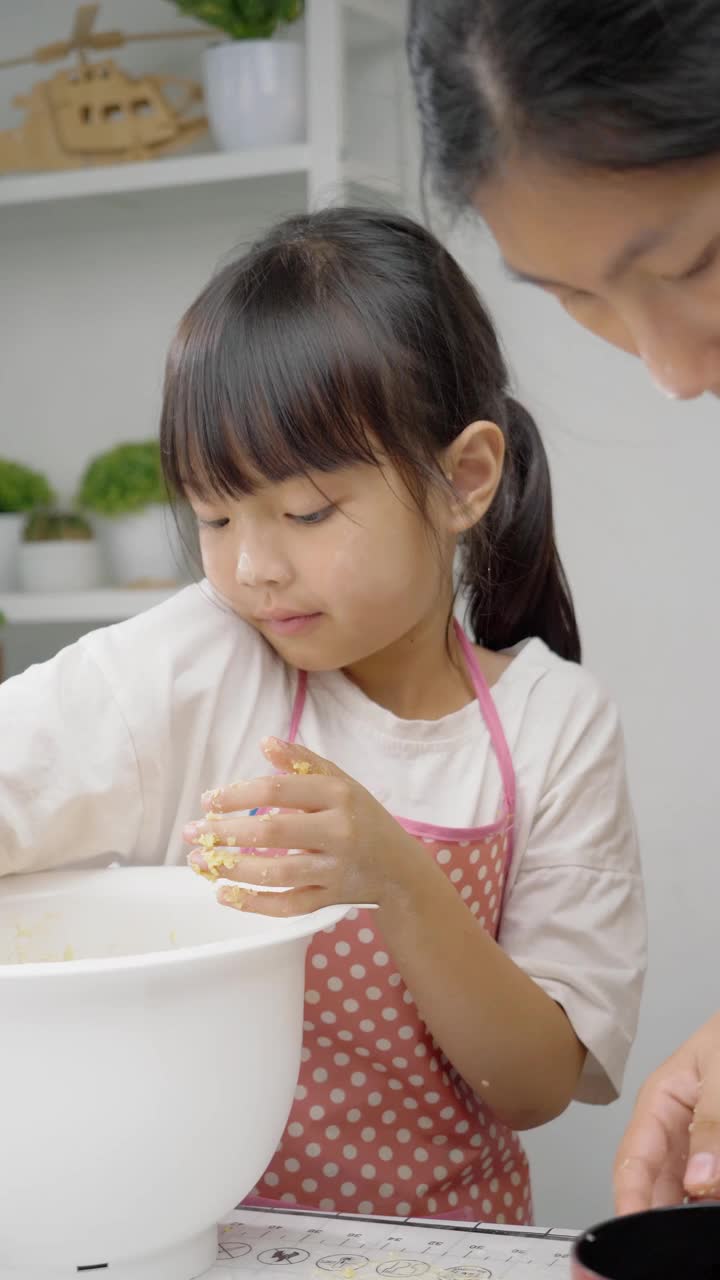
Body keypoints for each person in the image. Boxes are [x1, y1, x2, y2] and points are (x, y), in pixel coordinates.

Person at [0, 208, 644, 1223]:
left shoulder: (552, 723)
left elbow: (536, 1083)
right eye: (214, 515)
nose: (252, 565)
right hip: (197, 1235)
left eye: (306, 513)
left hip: (445, 1244)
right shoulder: (202, 658)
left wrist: (392, 873)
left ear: (462, 479)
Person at [407, 0, 720, 1212]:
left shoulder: (548, 716)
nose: (674, 370)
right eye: (578, 298)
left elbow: (541, 1072)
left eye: (693, 263)